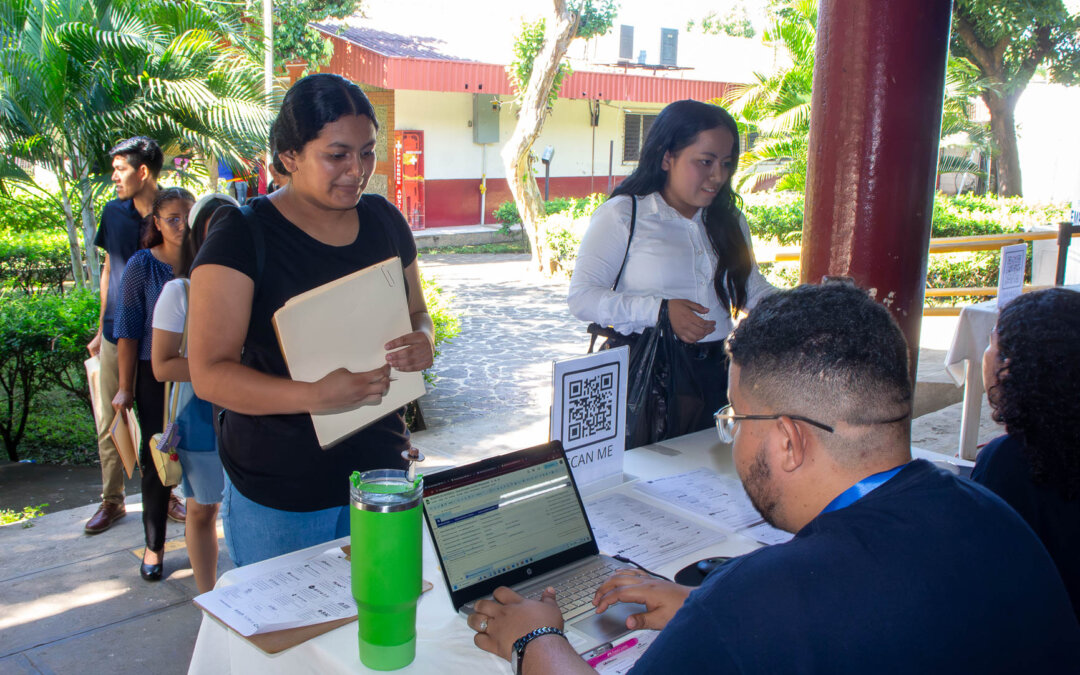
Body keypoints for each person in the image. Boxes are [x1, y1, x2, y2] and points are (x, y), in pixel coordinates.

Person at [467, 283, 1080, 674]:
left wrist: (537, 641)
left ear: (789, 440)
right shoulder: (994, 515)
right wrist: (704, 607)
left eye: (734, 416)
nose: (732, 433)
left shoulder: (769, 598)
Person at [188, 73, 434, 567]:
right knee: (287, 639)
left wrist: (423, 342)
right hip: (281, 492)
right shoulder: (243, 233)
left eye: (366, 152)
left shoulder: (385, 221)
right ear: (289, 157)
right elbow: (209, 373)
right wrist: (313, 396)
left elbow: (417, 313)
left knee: (379, 619)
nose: (357, 170)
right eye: (337, 154)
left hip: (380, 473)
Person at [567, 99, 773, 440]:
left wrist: (808, 303)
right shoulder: (624, 215)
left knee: (707, 479)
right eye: (705, 162)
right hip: (647, 379)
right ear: (667, 157)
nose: (718, 176)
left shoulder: (729, 220)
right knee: (647, 478)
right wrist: (660, 311)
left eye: (726, 163)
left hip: (717, 375)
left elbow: (751, 289)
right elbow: (582, 298)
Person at [85, 136, 189, 533]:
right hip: (119, 332)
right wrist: (100, 329)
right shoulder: (113, 213)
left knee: (167, 427)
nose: (114, 177)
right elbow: (110, 268)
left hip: (169, 346)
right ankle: (112, 500)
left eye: (120, 169)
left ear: (143, 171)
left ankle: (167, 496)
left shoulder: (177, 208)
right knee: (113, 417)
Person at [973, 288, 1080, 620]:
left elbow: (982, 573)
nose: (986, 354)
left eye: (993, 343)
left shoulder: (1011, 460)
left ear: (1010, 366)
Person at [150, 193, 238, 593]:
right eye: (213, 228)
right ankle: (209, 601)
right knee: (203, 509)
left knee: (246, 509)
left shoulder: (253, 286)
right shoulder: (180, 293)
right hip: (200, 420)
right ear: (197, 237)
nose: (224, 235)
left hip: (252, 414)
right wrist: (220, 367)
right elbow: (162, 364)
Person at [113, 187, 196, 581]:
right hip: (154, 376)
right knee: (159, 460)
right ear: (157, 224)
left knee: (202, 455)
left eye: (188, 216)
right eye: (172, 218)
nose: (181, 225)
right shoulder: (142, 265)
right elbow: (127, 331)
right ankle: (154, 545)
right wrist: (125, 387)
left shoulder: (207, 262)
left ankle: (201, 536)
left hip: (202, 373)